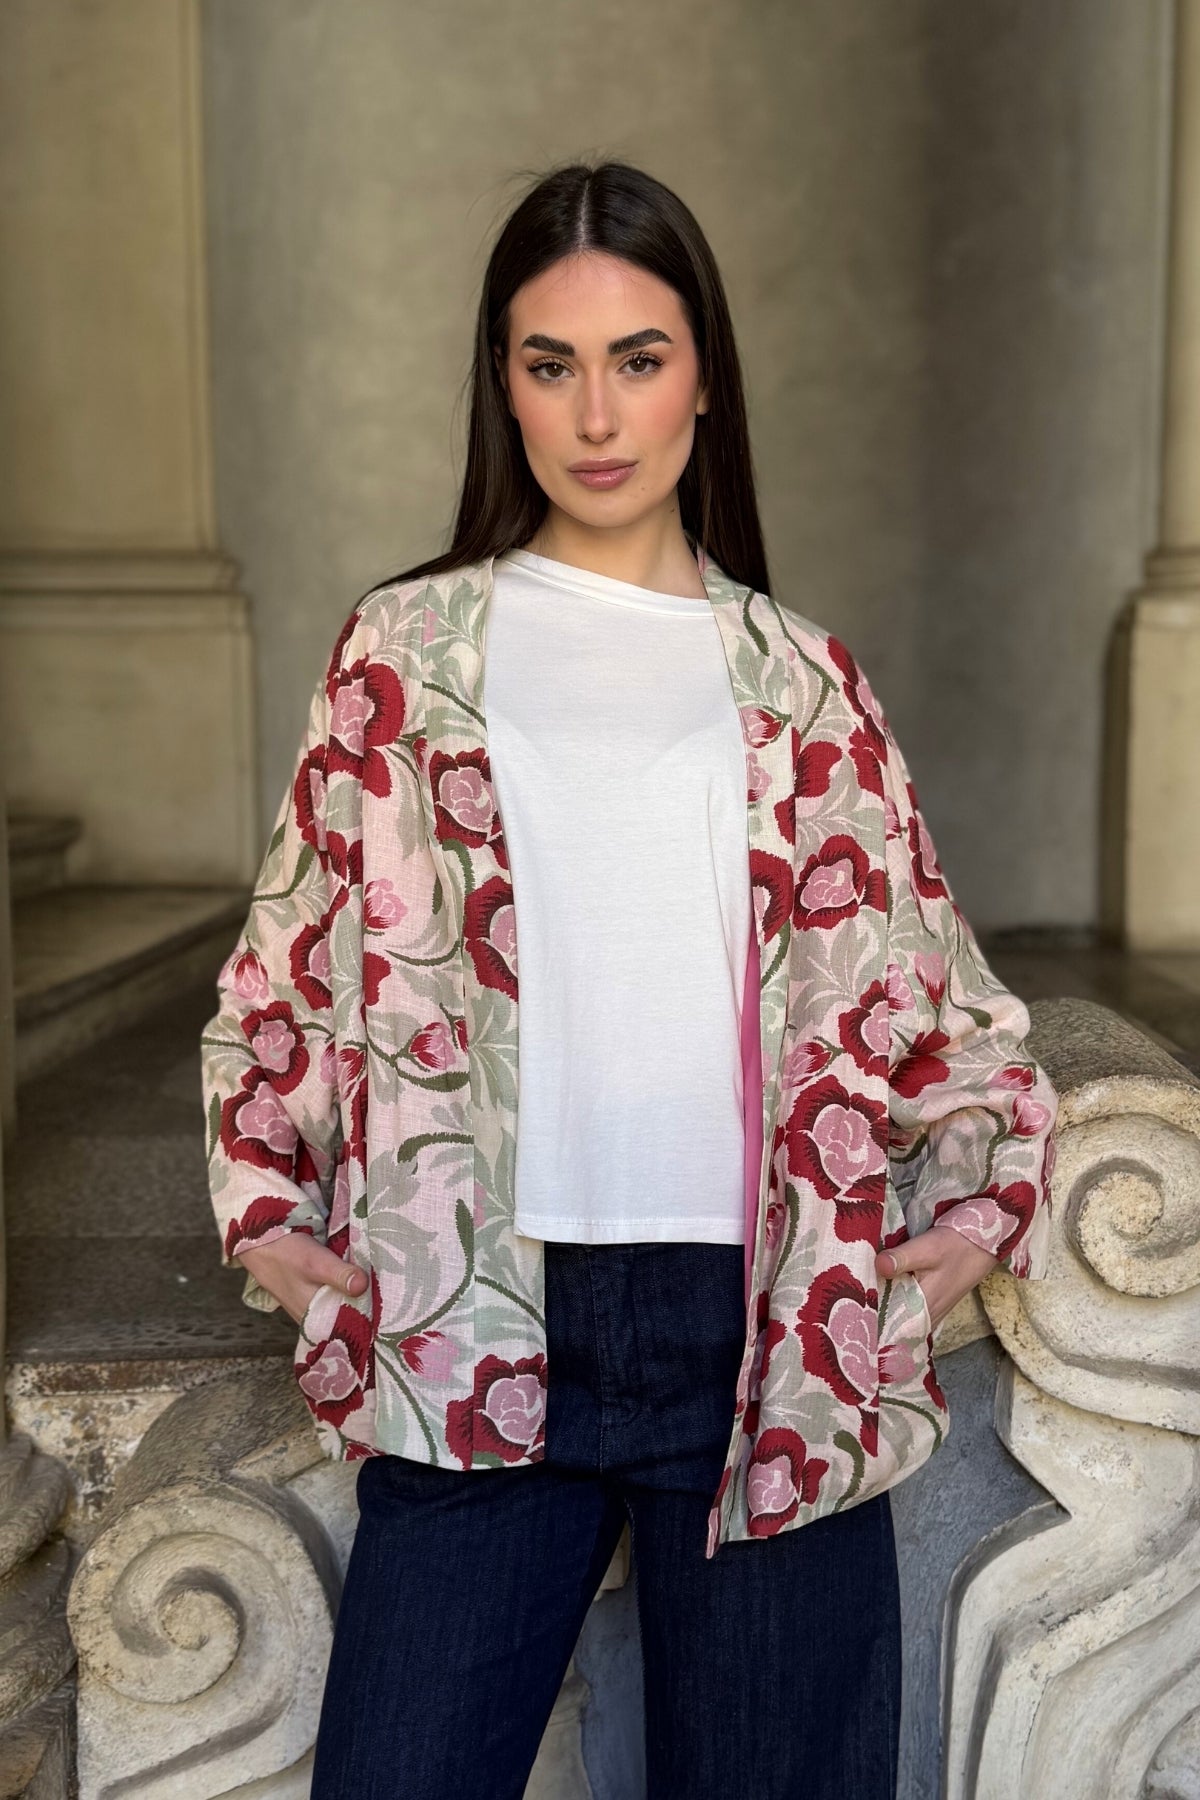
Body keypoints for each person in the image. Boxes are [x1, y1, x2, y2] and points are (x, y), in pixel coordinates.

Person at [200, 158, 1058, 1800]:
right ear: (504, 384)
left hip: (767, 1336)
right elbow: (281, 982)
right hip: (475, 1318)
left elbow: (950, 1017)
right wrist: (273, 1224)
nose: (597, 414)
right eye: (552, 364)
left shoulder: (805, 683)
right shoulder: (406, 657)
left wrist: (962, 1226)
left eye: (639, 359)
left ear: (703, 378)